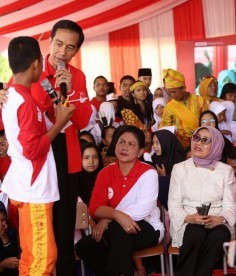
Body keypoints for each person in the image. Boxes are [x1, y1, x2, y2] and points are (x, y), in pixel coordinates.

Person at [3, 36, 76, 275]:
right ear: (36, 63)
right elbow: (32, 149)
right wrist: (60, 124)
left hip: (30, 187)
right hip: (33, 189)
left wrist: (57, 117)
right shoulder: (22, 100)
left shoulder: (19, 95)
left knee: (32, 257)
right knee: (43, 259)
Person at [76, 126, 164, 276]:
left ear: (141, 151)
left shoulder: (148, 172)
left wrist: (109, 219)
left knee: (118, 229)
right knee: (85, 246)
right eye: (121, 142)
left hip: (147, 228)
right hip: (115, 231)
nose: (124, 147)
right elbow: (94, 208)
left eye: (131, 144)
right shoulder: (105, 172)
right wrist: (115, 215)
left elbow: (143, 209)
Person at [168, 126, 236, 275]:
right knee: (196, 233)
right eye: (197, 138)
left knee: (220, 235)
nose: (198, 143)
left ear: (216, 145)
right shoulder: (179, 168)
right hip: (187, 219)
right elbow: (173, 204)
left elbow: (230, 206)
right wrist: (189, 218)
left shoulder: (226, 171)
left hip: (216, 219)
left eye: (205, 140)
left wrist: (220, 219)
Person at [160, 68, 208, 148]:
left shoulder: (200, 101)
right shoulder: (169, 107)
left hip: (201, 142)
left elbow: (207, 122)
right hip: (179, 146)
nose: (171, 96)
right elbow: (165, 130)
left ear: (183, 88)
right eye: (169, 93)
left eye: (174, 92)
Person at [151, 129, 186, 209]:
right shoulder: (155, 158)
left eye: (157, 143)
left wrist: (163, 177)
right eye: (153, 143)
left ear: (166, 142)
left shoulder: (179, 162)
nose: (154, 146)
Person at [0, 202, 19, 276]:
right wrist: (3, 265)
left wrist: (4, 237)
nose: (0, 224)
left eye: (3, 220)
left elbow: (15, 260)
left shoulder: (11, 231)